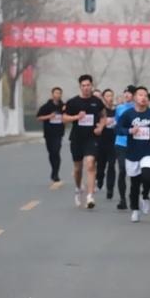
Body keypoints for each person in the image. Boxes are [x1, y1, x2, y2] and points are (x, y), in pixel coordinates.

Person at [118, 86, 150, 222]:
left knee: (147, 177)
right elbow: (118, 128)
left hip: (147, 151)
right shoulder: (128, 114)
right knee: (134, 184)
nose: (143, 98)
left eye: (145, 95)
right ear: (134, 97)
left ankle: (145, 196)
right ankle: (135, 209)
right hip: (132, 153)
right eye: (140, 95)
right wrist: (129, 131)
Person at [63, 74, 106, 209]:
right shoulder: (73, 102)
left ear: (91, 86)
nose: (86, 88)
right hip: (77, 138)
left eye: (88, 85)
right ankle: (77, 188)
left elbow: (103, 116)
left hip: (91, 137)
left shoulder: (97, 102)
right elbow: (64, 119)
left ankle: (90, 196)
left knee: (90, 163)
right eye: (83, 86)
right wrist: (77, 117)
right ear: (80, 87)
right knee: (77, 168)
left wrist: (101, 126)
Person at [36, 87, 65, 182]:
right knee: (51, 153)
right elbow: (39, 118)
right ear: (52, 94)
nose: (57, 95)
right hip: (49, 133)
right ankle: (54, 170)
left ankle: (55, 173)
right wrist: (49, 116)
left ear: (61, 95)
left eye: (59, 93)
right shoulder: (46, 106)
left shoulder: (63, 107)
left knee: (56, 151)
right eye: (55, 93)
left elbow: (68, 116)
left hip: (59, 133)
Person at [114, 85, 135, 210]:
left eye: (129, 93)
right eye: (125, 93)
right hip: (121, 143)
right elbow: (118, 125)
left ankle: (134, 196)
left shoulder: (138, 108)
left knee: (134, 173)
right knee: (122, 170)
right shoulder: (119, 108)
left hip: (134, 144)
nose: (127, 95)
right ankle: (122, 199)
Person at [97, 88, 117, 198]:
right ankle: (99, 179)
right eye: (107, 96)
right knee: (101, 165)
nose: (110, 98)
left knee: (112, 165)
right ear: (103, 98)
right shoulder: (101, 111)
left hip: (113, 141)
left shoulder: (117, 111)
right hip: (101, 141)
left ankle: (110, 189)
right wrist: (104, 123)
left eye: (111, 95)